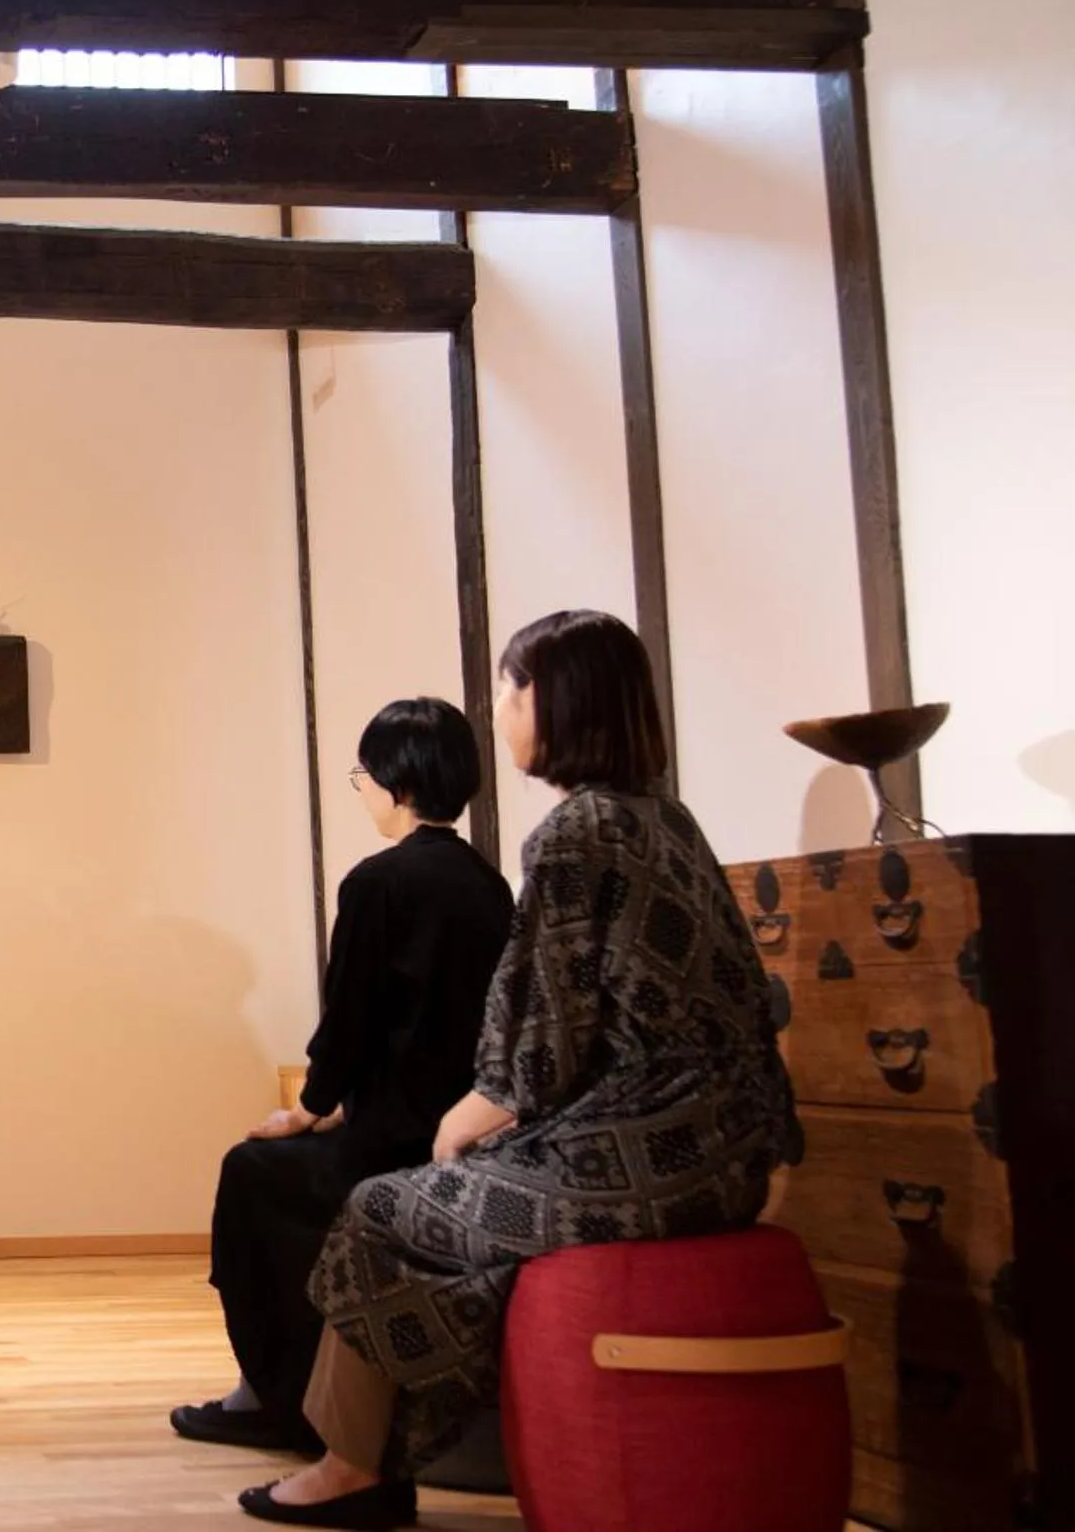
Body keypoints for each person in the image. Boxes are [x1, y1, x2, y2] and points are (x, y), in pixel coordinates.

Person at [240, 611, 802, 1529]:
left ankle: (352, 1467)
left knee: (382, 1209)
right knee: (449, 1203)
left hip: (648, 1161)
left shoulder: (577, 834)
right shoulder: (667, 818)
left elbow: (539, 1046)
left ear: (557, 699)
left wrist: (466, 1122)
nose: (501, 708)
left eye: (511, 686)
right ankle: (466, 1438)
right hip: (734, 1150)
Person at [174, 698, 512, 1454]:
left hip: (391, 1139)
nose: (359, 787)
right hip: (463, 1133)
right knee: (279, 1173)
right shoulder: (487, 884)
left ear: (394, 782)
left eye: (362, 772)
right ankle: (284, 1389)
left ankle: (272, 1395)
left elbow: (352, 1020)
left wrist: (313, 1105)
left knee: (254, 1172)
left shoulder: (377, 881)